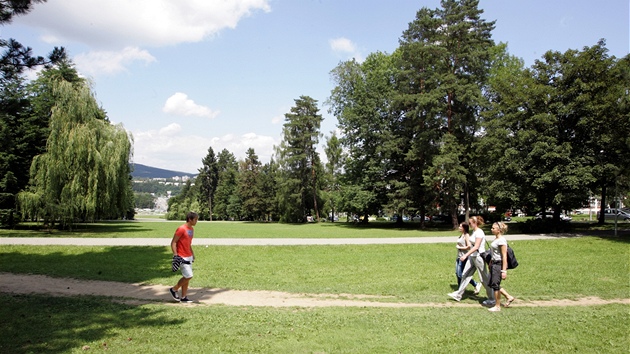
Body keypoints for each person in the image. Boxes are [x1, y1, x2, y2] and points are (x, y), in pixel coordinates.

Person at [447, 216, 495, 304]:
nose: (469, 225)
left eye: (470, 223)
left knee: (483, 278)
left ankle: (492, 298)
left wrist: (465, 255)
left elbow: (476, 246)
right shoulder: (474, 232)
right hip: (472, 256)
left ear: (475, 223)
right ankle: (458, 295)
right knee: (465, 274)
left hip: (478, 257)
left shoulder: (479, 232)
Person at [169, 211, 198, 303]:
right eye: (195, 219)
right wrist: (175, 255)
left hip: (188, 255)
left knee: (186, 276)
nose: (196, 221)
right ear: (190, 219)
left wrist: (192, 253)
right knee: (189, 275)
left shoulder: (191, 229)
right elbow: (173, 242)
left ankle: (184, 297)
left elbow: (188, 243)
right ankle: (174, 289)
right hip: (182, 256)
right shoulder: (181, 229)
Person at [487, 221, 516, 312]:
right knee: (493, 283)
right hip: (494, 263)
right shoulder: (496, 239)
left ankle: (497, 306)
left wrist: (504, 271)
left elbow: (504, 256)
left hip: (499, 264)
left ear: (499, 230)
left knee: (495, 285)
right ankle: (508, 296)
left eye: (493, 228)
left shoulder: (501, 240)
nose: (491, 229)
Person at [455, 222, 482, 295]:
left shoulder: (466, 235)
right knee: (457, 274)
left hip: (464, 257)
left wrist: (460, 247)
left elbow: (469, 246)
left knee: (461, 274)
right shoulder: (461, 235)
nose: (459, 228)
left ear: (464, 228)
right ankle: (459, 290)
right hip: (459, 257)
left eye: (461, 226)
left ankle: (476, 284)